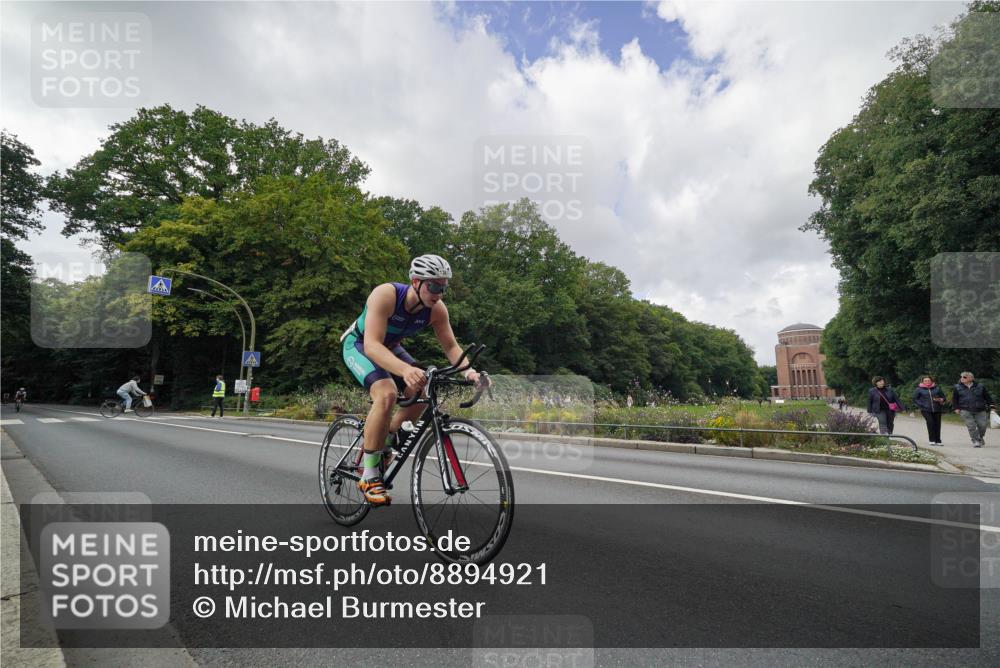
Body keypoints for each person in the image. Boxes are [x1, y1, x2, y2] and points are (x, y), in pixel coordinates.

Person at [341, 254, 488, 505]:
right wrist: (404, 370)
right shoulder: (385, 295)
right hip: (360, 345)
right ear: (416, 282)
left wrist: (470, 372)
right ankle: (369, 474)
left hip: (391, 347)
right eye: (434, 286)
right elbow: (373, 346)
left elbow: (451, 347)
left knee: (423, 389)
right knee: (386, 394)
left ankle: (386, 437)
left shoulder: (437, 310)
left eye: (444, 287)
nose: (439, 293)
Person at [951, 371, 995, 448]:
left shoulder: (980, 386)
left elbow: (987, 397)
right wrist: (956, 408)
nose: (962, 378)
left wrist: (992, 406)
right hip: (965, 409)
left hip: (980, 409)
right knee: (971, 426)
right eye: (961, 377)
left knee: (983, 425)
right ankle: (976, 440)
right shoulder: (957, 387)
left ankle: (980, 438)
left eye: (964, 377)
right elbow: (955, 399)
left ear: (971, 378)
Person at [912, 375, 947, 446]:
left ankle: (938, 440)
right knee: (930, 422)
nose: (927, 382)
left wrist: (941, 399)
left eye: (928, 380)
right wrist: (921, 404)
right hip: (925, 409)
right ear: (923, 382)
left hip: (937, 408)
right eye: (925, 381)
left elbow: (943, 397)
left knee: (937, 424)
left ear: (931, 381)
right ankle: (932, 440)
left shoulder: (937, 388)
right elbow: (915, 399)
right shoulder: (919, 389)